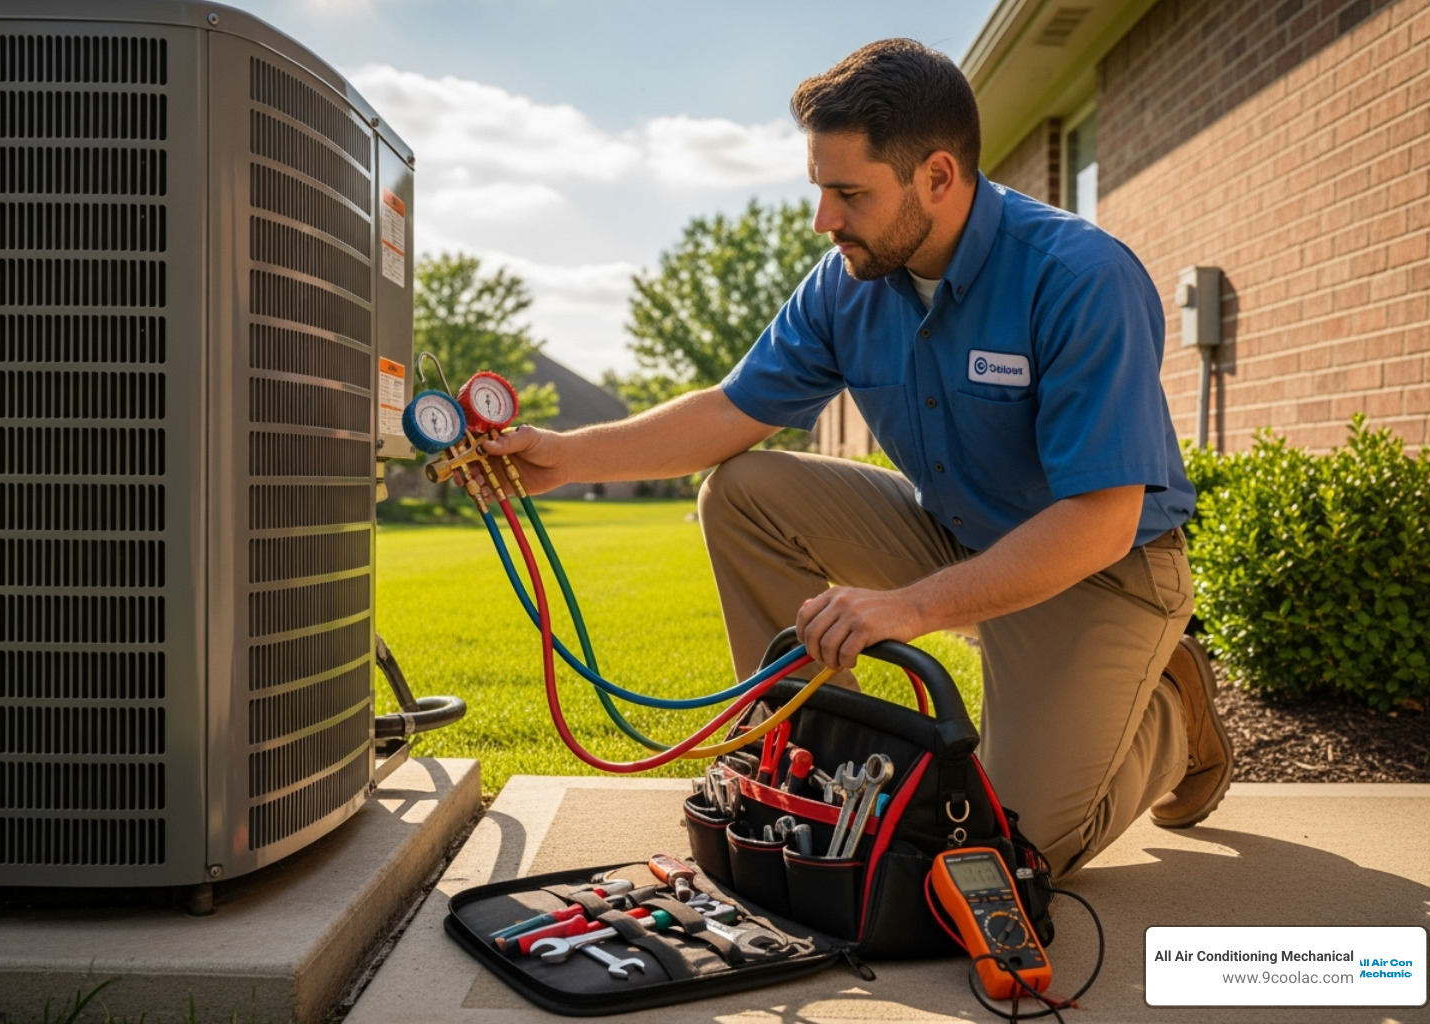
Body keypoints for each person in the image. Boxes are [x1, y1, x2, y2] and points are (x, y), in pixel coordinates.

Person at [484, 38, 1232, 878]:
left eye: (849, 193)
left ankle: (1173, 710)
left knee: (1006, 853)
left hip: (1102, 570)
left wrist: (909, 609)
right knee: (744, 489)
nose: (824, 219)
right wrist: (564, 456)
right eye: (819, 189)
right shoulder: (845, 282)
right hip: (956, 538)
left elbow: (1100, 521)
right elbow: (731, 413)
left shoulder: (1079, 278)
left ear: (938, 177)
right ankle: (814, 776)